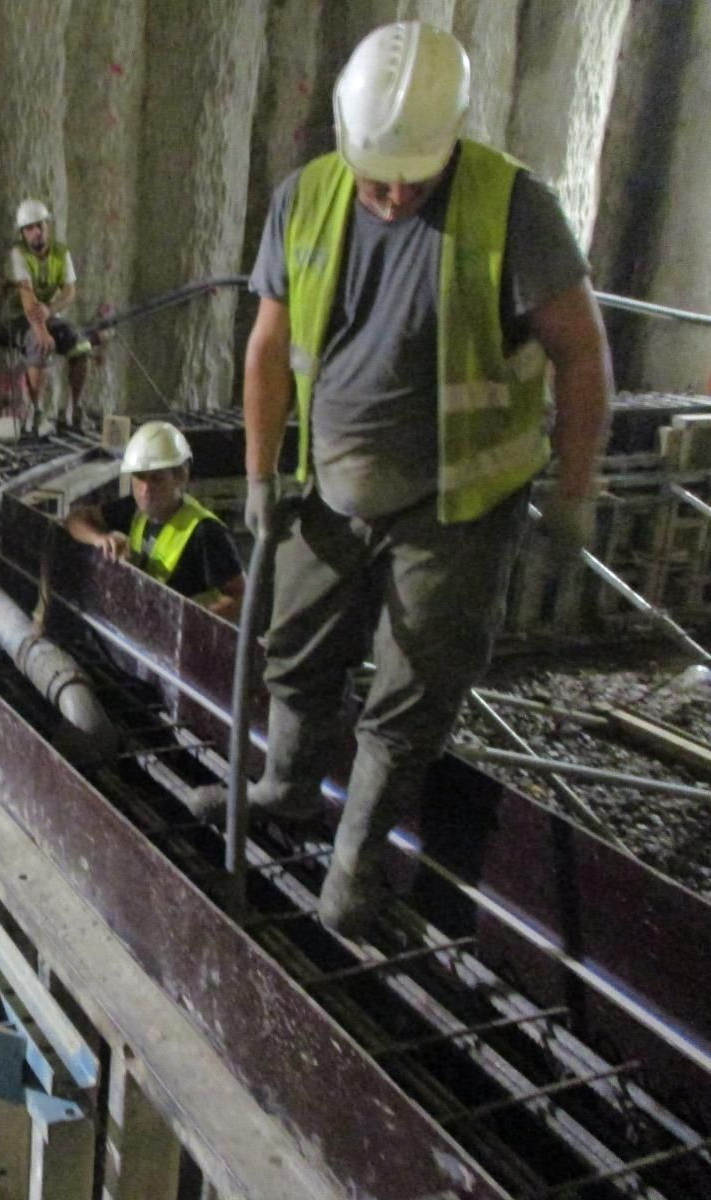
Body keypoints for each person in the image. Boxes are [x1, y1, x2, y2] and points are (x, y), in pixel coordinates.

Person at [238, 21, 612, 935]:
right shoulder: (306, 199)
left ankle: (356, 870)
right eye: (380, 175)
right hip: (333, 490)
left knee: (412, 692)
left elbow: (581, 354)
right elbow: (270, 348)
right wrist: (258, 472)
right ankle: (284, 789)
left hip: (459, 506)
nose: (398, 192)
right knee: (292, 642)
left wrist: (574, 486)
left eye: (418, 173)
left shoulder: (514, 209)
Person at [65, 421, 245, 619]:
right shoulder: (135, 509)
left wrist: (192, 623)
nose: (145, 489)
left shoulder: (206, 532)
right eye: (139, 477)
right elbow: (75, 520)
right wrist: (99, 539)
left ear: (180, 478)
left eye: (157, 478)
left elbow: (240, 596)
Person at [6, 198, 101, 431]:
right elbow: (27, 298)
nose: (36, 233)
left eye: (40, 226)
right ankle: (35, 411)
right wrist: (41, 330)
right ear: (23, 233)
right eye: (30, 229)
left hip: (49, 314)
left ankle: (74, 409)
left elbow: (69, 291)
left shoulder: (60, 252)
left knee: (80, 346)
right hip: (22, 318)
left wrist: (50, 309)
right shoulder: (18, 254)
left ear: (48, 226)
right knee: (40, 346)